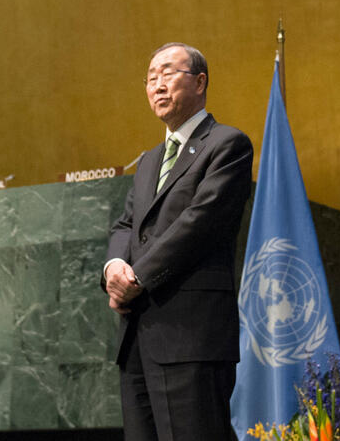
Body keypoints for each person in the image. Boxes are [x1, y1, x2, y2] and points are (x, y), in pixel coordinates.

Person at [103, 43, 254, 441]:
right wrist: (114, 269)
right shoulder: (149, 160)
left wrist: (137, 277)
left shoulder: (227, 145)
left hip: (191, 336)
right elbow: (126, 224)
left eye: (168, 73)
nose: (157, 84)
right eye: (151, 77)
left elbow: (199, 223)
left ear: (200, 82)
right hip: (138, 336)